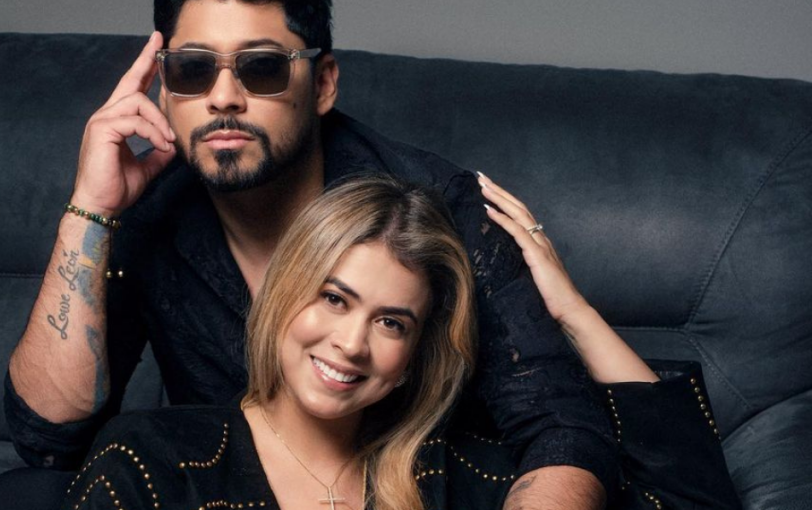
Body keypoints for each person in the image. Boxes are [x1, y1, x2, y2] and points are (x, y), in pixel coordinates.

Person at [0, 0, 615, 507]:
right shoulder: (152, 211)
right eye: (193, 69)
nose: (223, 97)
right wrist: (90, 210)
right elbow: (49, 441)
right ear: (164, 89)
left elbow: (562, 428)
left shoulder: (436, 209)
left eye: (262, 67)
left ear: (322, 84)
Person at [58, 175, 741, 510]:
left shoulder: (456, 476)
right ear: (283, 295)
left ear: (415, 355)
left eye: (392, 323)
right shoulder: (154, 459)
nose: (351, 343)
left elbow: (686, 500)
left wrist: (574, 313)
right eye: (333, 298)